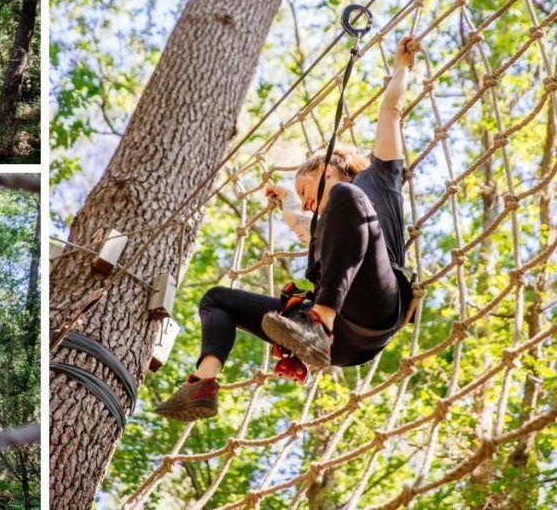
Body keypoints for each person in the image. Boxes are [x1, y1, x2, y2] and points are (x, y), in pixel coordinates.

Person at [155, 35, 418, 422]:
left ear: (325, 168)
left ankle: (319, 320)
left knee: (344, 199)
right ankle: (203, 382)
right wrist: (289, 201)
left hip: (374, 305)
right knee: (215, 299)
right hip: (338, 346)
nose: (306, 200)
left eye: (305, 188)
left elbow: (391, 110)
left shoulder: (375, 182)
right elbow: (302, 222)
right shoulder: (325, 229)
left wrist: (401, 67)